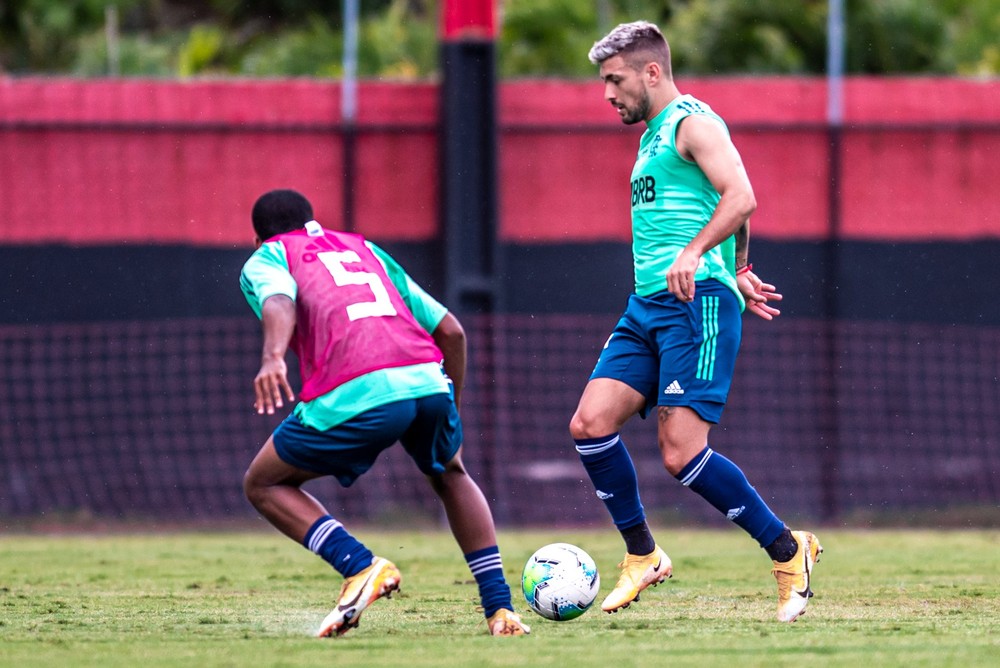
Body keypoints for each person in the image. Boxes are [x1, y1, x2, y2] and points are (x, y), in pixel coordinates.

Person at [570, 21, 822, 623]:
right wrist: (737, 262)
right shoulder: (651, 135)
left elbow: (741, 195)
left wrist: (702, 259)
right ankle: (643, 555)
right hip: (648, 305)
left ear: (651, 72)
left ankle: (790, 551)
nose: (606, 93)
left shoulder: (693, 122)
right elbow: (722, 206)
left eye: (614, 79)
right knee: (589, 423)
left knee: (682, 454)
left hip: (696, 303)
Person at [239, 189, 530, 637]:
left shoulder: (269, 257)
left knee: (263, 482)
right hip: (427, 379)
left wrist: (274, 356)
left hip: (357, 388)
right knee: (452, 472)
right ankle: (501, 610)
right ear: (312, 221)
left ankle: (360, 566)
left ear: (259, 238)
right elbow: (451, 331)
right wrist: (451, 407)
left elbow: (279, 302)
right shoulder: (363, 247)